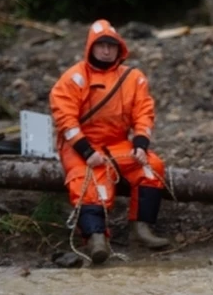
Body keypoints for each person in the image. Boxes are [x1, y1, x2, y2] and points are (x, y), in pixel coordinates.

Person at [49, 19, 170, 264]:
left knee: (152, 168)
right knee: (87, 179)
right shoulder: (73, 78)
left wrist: (140, 145)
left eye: (111, 46)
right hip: (80, 145)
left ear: (119, 49)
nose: (106, 50)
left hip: (117, 144)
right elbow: (66, 120)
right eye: (101, 45)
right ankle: (95, 239)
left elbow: (144, 113)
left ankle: (142, 228)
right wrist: (86, 151)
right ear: (91, 48)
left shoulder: (132, 79)